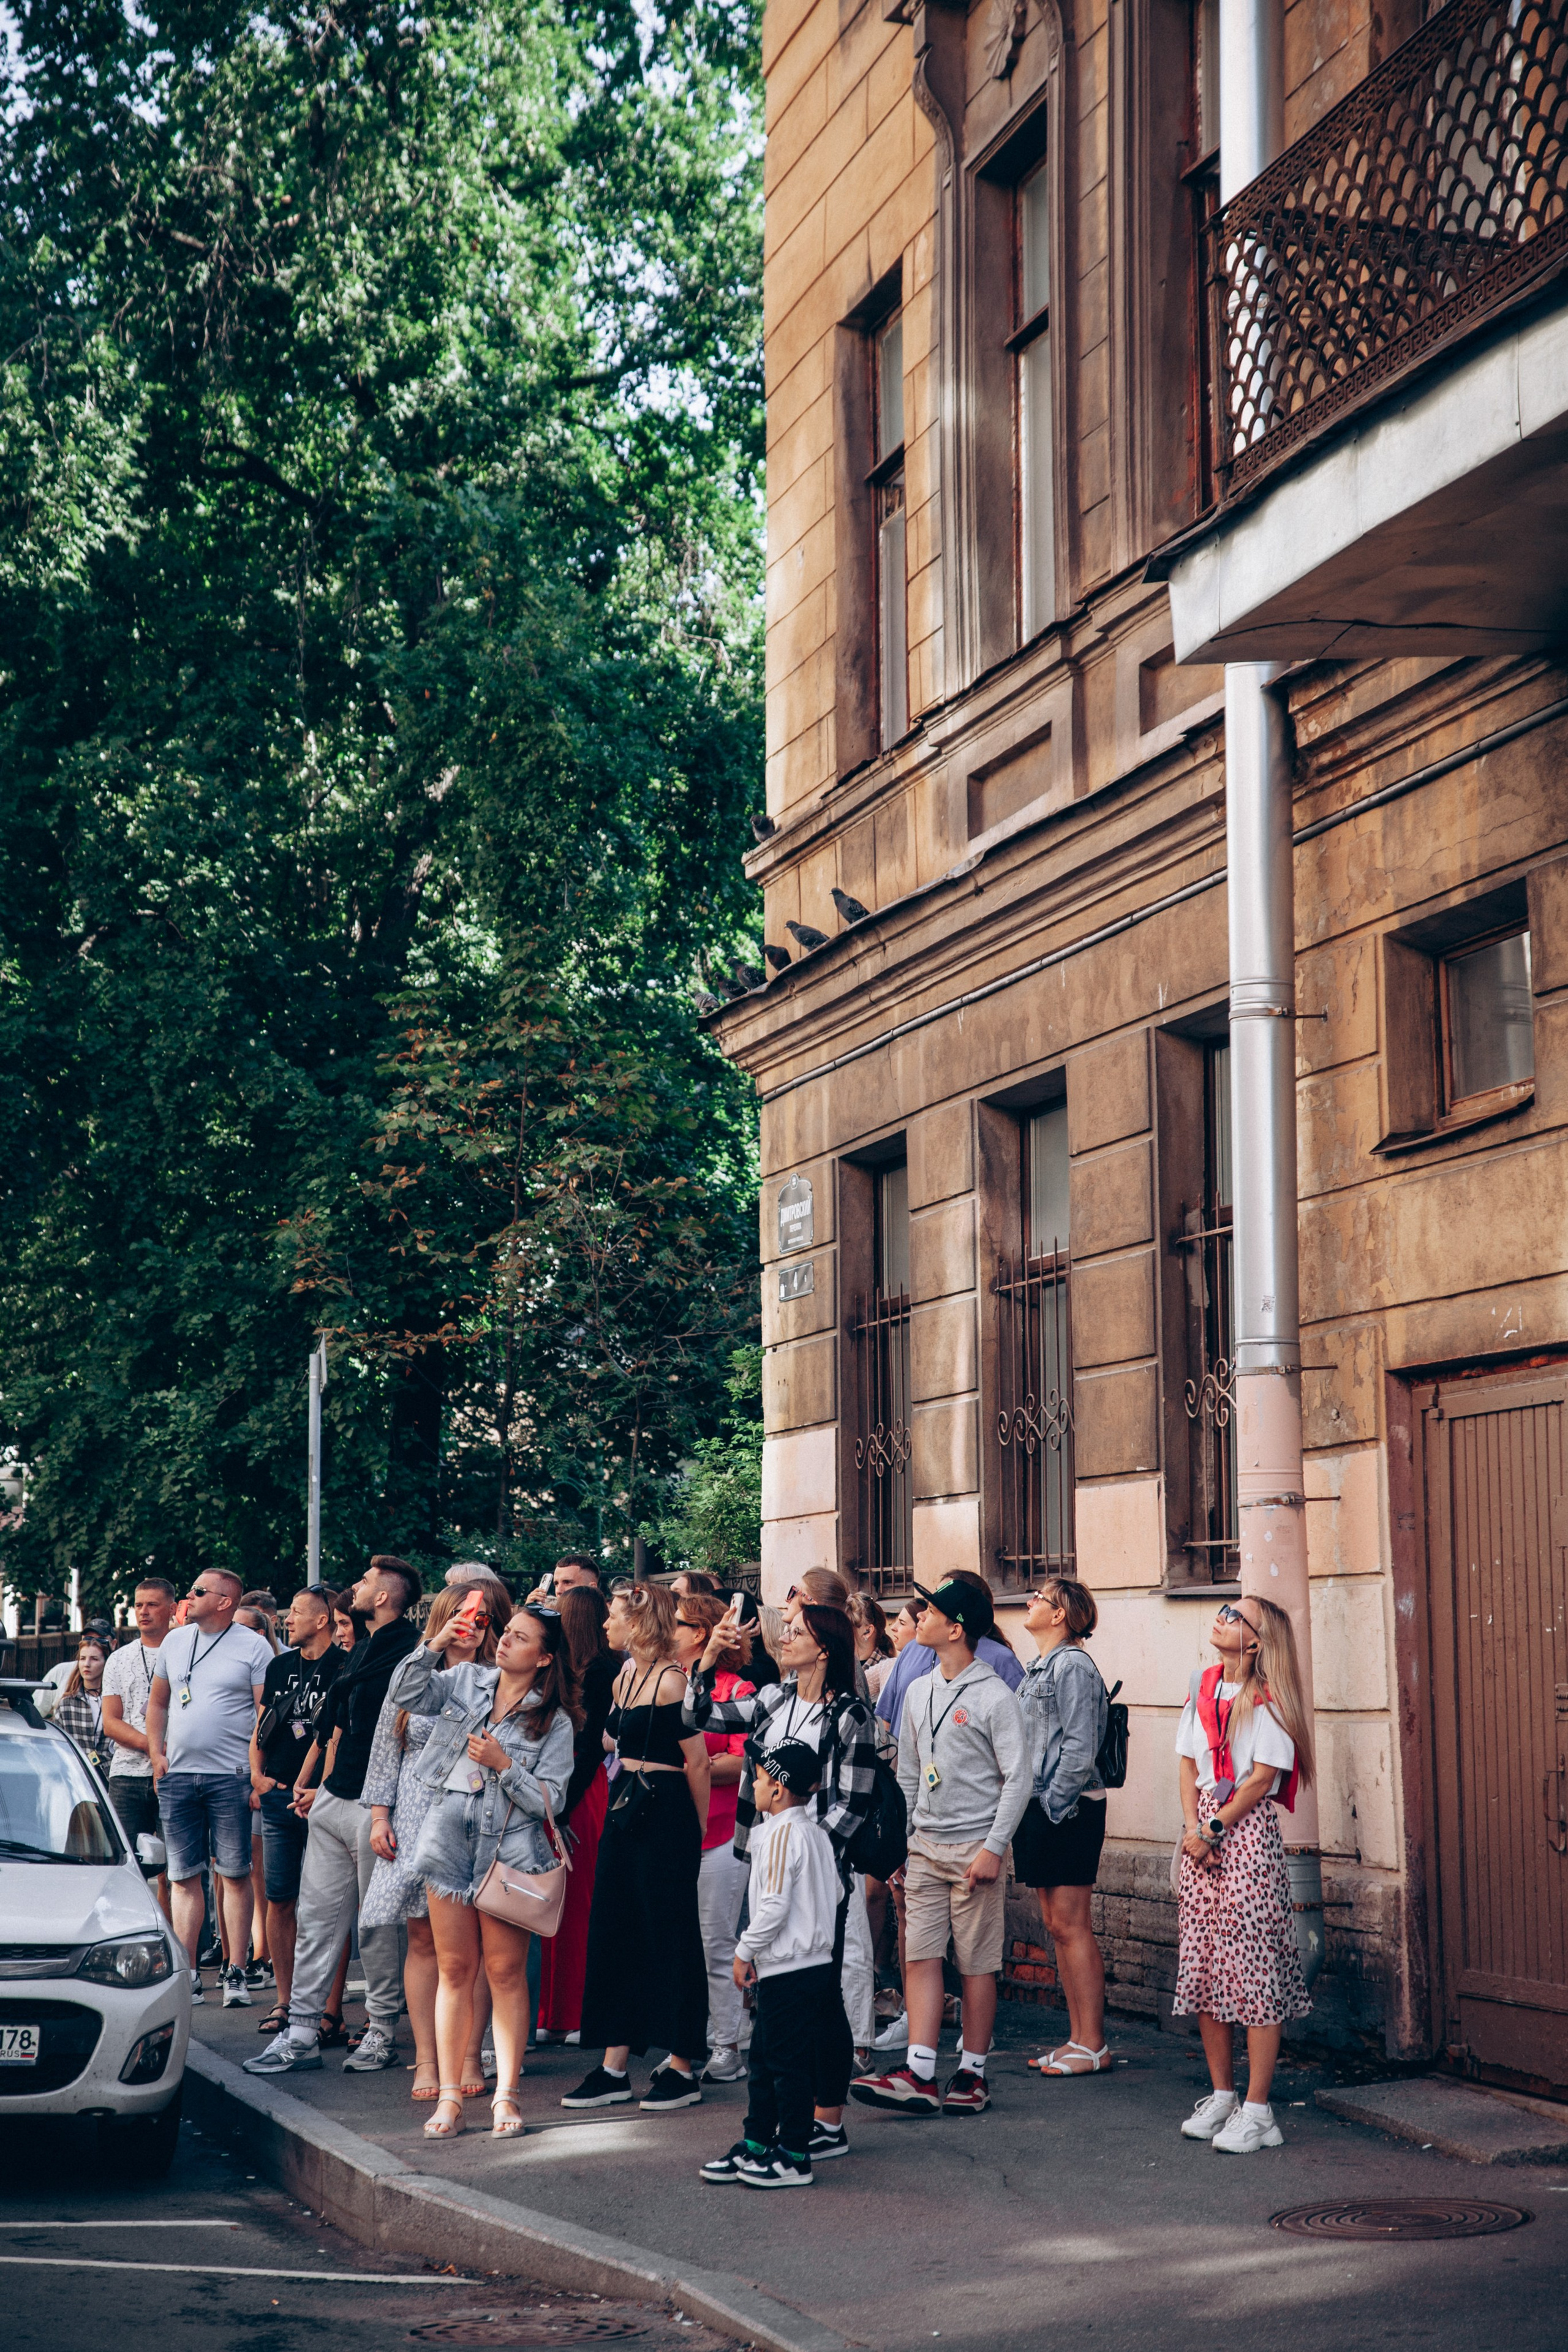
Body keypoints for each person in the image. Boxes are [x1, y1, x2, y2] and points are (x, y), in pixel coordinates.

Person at [683, 1600, 876, 2166]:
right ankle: (784, 2124)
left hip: (819, 1879)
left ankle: (827, 2122)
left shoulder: (849, 1715)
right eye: (785, 1630)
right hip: (764, 1862)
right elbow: (698, 1719)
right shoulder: (773, 1698)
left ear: (825, 1647)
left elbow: (853, 1805)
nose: (783, 1638)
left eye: (796, 1633)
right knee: (779, 2000)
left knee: (818, 1999)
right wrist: (710, 1657)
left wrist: (805, 1851)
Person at [388, 1602, 579, 2141]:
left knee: (504, 1975)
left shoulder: (554, 1721)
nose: (505, 1642)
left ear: (543, 1658)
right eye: (507, 1632)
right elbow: (404, 1695)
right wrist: (434, 1644)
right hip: (448, 1840)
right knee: (454, 1971)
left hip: (511, 1852)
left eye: (520, 1638)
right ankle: (450, 2097)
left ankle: (506, 2095)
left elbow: (552, 1801)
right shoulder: (466, 1680)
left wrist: (504, 1765)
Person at [853, 1577, 1030, 2117]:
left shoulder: (994, 1696)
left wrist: (994, 1848)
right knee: (921, 1955)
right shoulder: (918, 1690)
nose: (917, 1615)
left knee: (976, 1965)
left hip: (974, 1850)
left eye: (928, 1610)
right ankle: (921, 2070)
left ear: (955, 1628)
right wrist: (902, 1847)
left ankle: (973, 2074)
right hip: (924, 1848)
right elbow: (909, 1773)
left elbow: (1018, 1779)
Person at [244, 1555, 421, 2076]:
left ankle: (381, 2032)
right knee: (316, 1923)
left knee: (377, 1928)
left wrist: (383, 1809)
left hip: (376, 1807)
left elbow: (398, 1738)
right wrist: (316, 1788)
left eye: (366, 1583)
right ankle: (301, 2032)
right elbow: (339, 1729)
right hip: (334, 1800)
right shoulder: (362, 1648)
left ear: (385, 1596)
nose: (357, 1588)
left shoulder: (408, 1652)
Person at [564, 1582, 712, 2113]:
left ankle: (682, 2065)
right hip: (626, 1806)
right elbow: (609, 1738)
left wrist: (693, 1834)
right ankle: (614, 2065)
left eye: (614, 1616)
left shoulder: (674, 1681)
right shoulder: (627, 1674)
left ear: (639, 1623)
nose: (606, 1624)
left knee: (670, 1934)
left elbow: (697, 1762)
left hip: (665, 1809)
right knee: (614, 1928)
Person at [1174, 1595, 1314, 2154]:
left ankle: (1259, 2109)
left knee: (1253, 1968)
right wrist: (1192, 1828)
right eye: (1226, 1608)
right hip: (1203, 1832)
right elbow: (1187, 1764)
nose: (1224, 1616)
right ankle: (1223, 2095)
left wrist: (1211, 1828)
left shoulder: (1270, 1698)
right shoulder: (1204, 1684)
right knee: (1207, 1965)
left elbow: (1260, 1779)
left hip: (1245, 1832)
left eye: (1237, 1614)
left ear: (1256, 1641)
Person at [361, 1585, 503, 2106]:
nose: (476, 1623)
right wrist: (379, 1816)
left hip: (473, 1821)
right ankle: (426, 2057)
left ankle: (468, 2055)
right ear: (445, 1618)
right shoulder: (415, 1675)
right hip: (413, 1817)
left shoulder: (498, 1678)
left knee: (477, 1952)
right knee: (423, 1944)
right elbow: (385, 1748)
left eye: (485, 1616)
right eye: (466, 1615)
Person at [699, 1741, 841, 2190]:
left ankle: (794, 2155)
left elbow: (774, 1904)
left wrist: (745, 1951)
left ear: (778, 1790)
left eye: (759, 1778)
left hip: (788, 1969)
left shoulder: (782, 1834)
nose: (753, 1784)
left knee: (784, 2067)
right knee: (766, 2060)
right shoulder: (816, 1833)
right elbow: (835, 1896)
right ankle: (758, 2143)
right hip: (813, 1967)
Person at [145, 1568, 273, 2008]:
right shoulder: (177, 1642)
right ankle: (190, 1973)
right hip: (178, 1775)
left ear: (224, 1601)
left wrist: (257, 1772)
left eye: (199, 1591)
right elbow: (159, 1702)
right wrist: (156, 1755)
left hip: (232, 1776)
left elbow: (265, 1714)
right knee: (182, 1877)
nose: (189, 1596)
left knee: (235, 1874)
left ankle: (236, 1970)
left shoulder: (254, 1646)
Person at [1016, 1575, 1111, 2077]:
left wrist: (1053, 1807)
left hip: (1067, 1810)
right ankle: (1077, 2038)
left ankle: (1093, 2043)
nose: (1029, 1602)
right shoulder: (1040, 1668)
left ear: (1059, 1615)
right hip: (1043, 1807)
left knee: (1072, 1926)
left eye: (1039, 1598)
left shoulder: (1071, 1666)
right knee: (1057, 1925)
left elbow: (1079, 1746)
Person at [247, 1585, 344, 2035]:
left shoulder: (343, 1667)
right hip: (277, 1795)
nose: (289, 1619)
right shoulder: (281, 1664)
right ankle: (285, 2002)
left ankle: (329, 2009)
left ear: (322, 1620)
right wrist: (258, 1776)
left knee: (329, 1907)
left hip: (322, 1802)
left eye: (299, 1612)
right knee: (279, 1898)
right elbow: (261, 1726)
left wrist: (320, 1789)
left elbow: (336, 1739)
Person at [672, 1592, 755, 2084]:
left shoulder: (735, 1688)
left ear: (701, 1632)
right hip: (673, 1834)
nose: (669, 1631)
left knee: (716, 1941)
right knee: (682, 1944)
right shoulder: (665, 1682)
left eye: (678, 1623)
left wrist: (691, 1770)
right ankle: (689, 2039)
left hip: (721, 1834)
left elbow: (745, 1759)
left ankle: (728, 2042)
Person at [537, 1586, 617, 2045]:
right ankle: (552, 2010)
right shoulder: (563, 1669)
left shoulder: (604, 1670)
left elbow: (590, 1748)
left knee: (581, 1903)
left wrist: (562, 1807)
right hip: (557, 1789)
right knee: (551, 1903)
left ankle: (581, 2011)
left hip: (579, 1792)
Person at [873, 1569, 1024, 1745]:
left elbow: (1016, 1733)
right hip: (905, 1768)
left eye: (938, 1603)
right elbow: (886, 1717)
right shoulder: (912, 1649)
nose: (922, 1614)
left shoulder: (1001, 1659)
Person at [102, 1575, 178, 1902]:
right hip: (127, 1775)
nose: (143, 1612)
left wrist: (165, 1753)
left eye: (152, 1605)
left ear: (172, 1608)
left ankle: (190, 1949)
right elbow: (111, 1722)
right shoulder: (119, 1658)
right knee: (123, 1866)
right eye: (138, 1605)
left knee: (180, 1871)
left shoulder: (187, 1651)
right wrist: (155, 1746)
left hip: (177, 1771)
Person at [55, 1635, 112, 1774]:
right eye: (82, 1658)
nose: (87, 1664)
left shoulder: (115, 1700)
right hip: (76, 1774)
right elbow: (58, 1746)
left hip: (110, 1775)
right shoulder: (66, 1704)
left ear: (106, 1663)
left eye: (94, 1659)